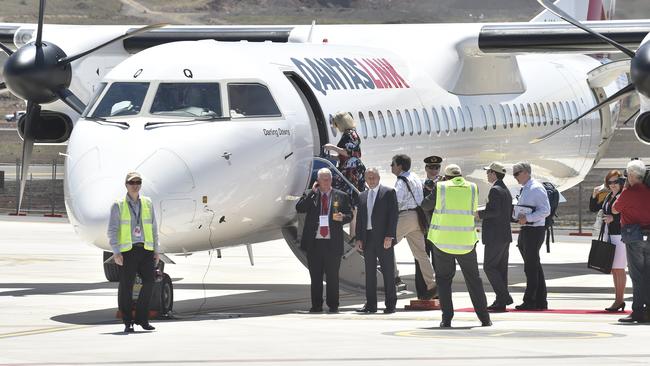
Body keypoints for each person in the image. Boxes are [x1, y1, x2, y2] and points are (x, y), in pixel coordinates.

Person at [421, 164, 491, 327]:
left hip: (443, 243)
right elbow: (472, 209)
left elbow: (425, 205)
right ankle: (484, 318)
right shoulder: (472, 188)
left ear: (445, 177)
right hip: (466, 242)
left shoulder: (441, 187)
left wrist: (433, 189)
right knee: (474, 281)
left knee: (444, 281)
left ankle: (447, 319)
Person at [107, 171, 160, 333]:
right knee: (126, 287)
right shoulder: (119, 204)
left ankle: (142, 319)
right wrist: (116, 252)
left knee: (150, 282)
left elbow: (153, 227)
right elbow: (112, 230)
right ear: (126, 185)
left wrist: (156, 250)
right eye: (132, 182)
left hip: (145, 249)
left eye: (138, 182)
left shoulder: (147, 203)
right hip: (127, 251)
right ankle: (128, 321)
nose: (135, 185)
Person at [296, 168, 353, 313]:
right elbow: (300, 208)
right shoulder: (312, 195)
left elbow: (350, 215)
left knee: (333, 277)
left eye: (329, 179)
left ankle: (333, 305)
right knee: (315, 277)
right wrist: (312, 193)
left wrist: (343, 217)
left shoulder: (341, 196)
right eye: (323, 179)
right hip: (314, 243)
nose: (327, 182)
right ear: (318, 181)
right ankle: (316, 305)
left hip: (332, 243)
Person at [391, 154, 437, 300]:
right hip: (418, 218)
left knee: (384, 243)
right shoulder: (415, 177)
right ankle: (432, 284)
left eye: (393, 164)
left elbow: (396, 202)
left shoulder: (401, 181)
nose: (391, 167)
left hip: (406, 216)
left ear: (399, 166)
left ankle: (393, 276)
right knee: (421, 254)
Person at [355, 168, 399, 313]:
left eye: (373, 177)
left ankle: (390, 304)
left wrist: (390, 236)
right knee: (369, 273)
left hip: (384, 238)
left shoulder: (388, 192)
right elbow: (360, 220)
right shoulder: (362, 196)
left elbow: (393, 216)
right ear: (365, 179)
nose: (371, 180)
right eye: (368, 177)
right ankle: (371, 305)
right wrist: (359, 238)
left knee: (388, 272)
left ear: (379, 178)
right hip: (368, 238)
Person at [612, 159, 650, 323]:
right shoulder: (648, 192)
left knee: (636, 275)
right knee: (648, 275)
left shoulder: (628, 193)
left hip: (634, 238)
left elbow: (614, 209)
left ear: (633, 175)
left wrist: (624, 191)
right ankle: (648, 311)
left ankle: (637, 312)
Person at [512, 162, 550, 311]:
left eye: (517, 173)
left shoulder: (536, 188)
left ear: (526, 172)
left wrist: (528, 218)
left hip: (534, 230)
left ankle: (531, 300)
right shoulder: (526, 188)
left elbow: (545, 211)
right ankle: (540, 299)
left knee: (531, 267)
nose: (515, 176)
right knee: (534, 266)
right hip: (527, 230)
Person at [477, 162, 513, 312]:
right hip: (504, 235)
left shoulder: (496, 190)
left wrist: (479, 214)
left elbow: (495, 211)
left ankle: (504, 297)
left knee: (489, 267)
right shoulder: (505, 190)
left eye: (488, 172)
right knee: (500, 269)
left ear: (494, 173)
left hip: (495, 236)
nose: (487, 174)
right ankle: (500, 302)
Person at [589, 170, 627, 312]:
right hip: (609, 234)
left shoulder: (623, 195)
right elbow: (593, 208)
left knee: (619, 268)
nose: (612, 185)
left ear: (621, 182)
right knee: (614, 269)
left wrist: (614, 218)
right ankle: (618, 300)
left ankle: (619, 300)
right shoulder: (609, 196)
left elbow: (628, 212)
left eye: (615, 182)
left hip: (620, 235)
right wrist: (594, 194)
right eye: (609, 182)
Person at [415, 155, 443, 299]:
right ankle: (423, 292)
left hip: (438, 230)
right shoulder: (419, 185)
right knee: (421, 259)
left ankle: (438, 291)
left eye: (437, 167)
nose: (434, 170)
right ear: (426, 168)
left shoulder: (444, 185)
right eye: (431, 167)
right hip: (422, 228)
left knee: (438, 262)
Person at [323, 112, 366, 195]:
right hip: (350, 168)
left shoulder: (350, 134)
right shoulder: (350, 134)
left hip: (352, 170)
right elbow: (344, 156)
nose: (336, 127)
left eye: (336, 124)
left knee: (348, 193)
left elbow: (349, 153)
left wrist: (332, 147)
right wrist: (329, 156)